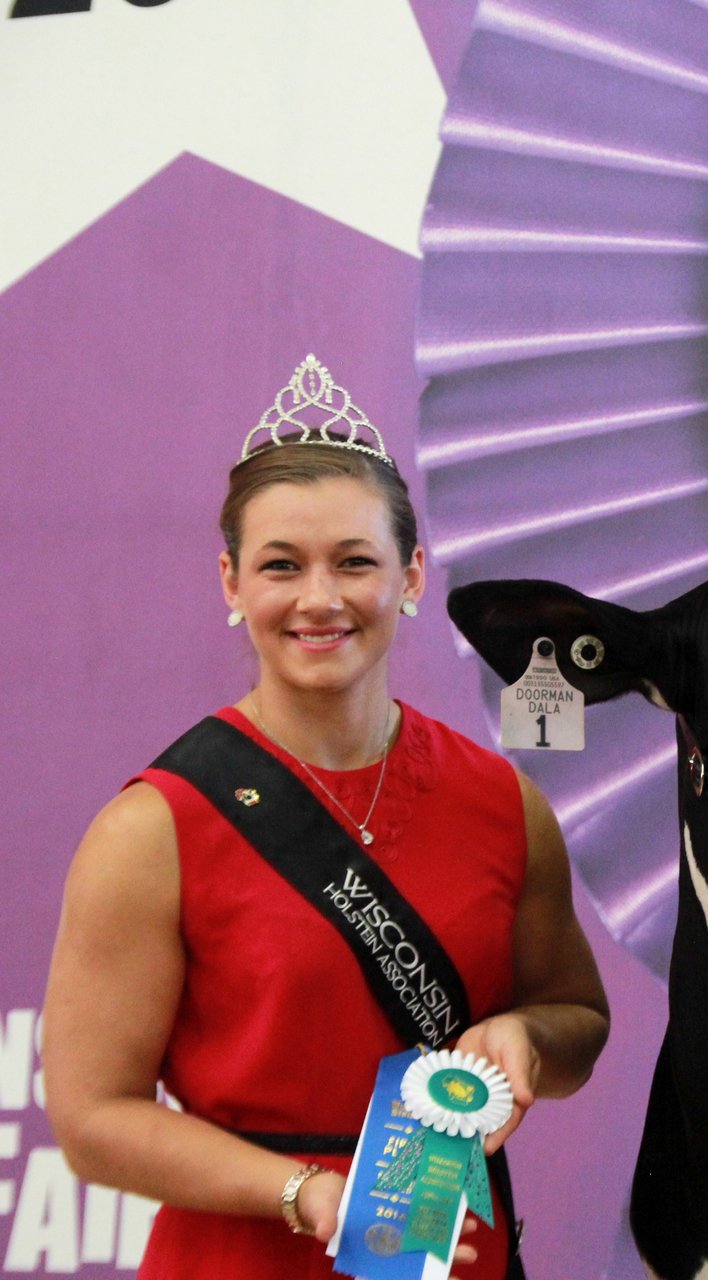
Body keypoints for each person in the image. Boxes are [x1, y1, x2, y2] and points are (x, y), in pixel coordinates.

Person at [42, 356, 611, 1278]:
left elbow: (578, 1019)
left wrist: (530, 1041)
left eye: (355, 562)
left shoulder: (505, 803)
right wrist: (302, 1193)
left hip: (453, 1251)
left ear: (412, 575)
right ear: (231, 583)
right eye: (280, 566)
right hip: (240, 1255)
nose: (320, 598)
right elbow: (93, 1121)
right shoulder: (154, 829)